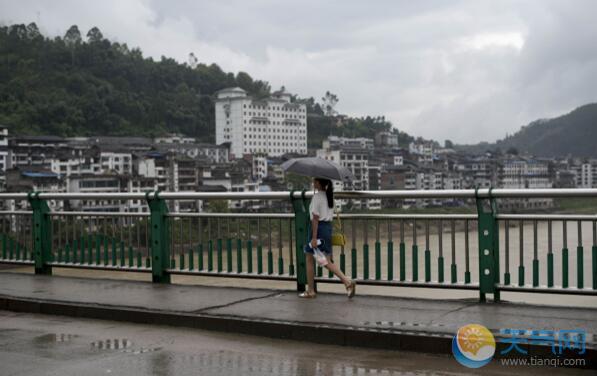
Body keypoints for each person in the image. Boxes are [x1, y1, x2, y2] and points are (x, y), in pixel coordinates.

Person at [299, 177, 356, 299]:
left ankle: (345, 282)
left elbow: (315, 218)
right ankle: (346, 282)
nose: (313, 182)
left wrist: (313, 238)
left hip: (318, 230)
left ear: (319, 183)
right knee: (325, 260)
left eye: (314, 181)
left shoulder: (317, 197)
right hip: (327, 229)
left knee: (311, 258)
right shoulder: (329, 196)